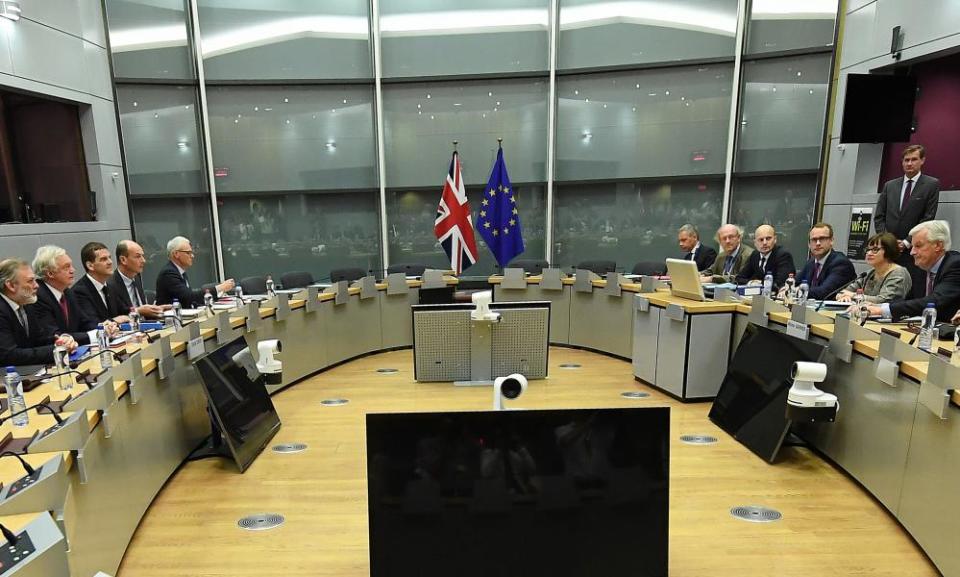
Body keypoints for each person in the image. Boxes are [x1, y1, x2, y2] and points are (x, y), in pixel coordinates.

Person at [874, 144, 940, 298]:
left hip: (913, 252)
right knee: (885, 294)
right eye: (906, 160)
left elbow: (928, 218)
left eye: (914, 159)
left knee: (911, 294)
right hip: (889, 252)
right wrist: (888, 241)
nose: (909, 163)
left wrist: (906, 242)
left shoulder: (931, 184)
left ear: (922, 160)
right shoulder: (890, 186)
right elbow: (879, 217)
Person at [865, 220, 960, 322]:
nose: (912, 252)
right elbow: (908, 301)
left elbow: (935, 301)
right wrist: (878, 306)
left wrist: (882, 310)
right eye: (912, 246)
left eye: (918, 246)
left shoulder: (955, 265)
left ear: (938, 245)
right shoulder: (921, 267)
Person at [0, 258, 77, 366]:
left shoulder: (27, 303)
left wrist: (63, 341)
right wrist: (56, 350)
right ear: (11, 285)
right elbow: (10, 355)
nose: (36, 285)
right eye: (30, 281)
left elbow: (39, 339)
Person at [31, 245, 104, 345]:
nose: (73, 270)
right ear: (50, 273)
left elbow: (84, 322)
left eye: (71, 265)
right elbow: (55, 336)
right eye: (67, 267)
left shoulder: (68, 292)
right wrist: (96, 335)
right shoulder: (38, 296)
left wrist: (103, 328)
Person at [155, 236, 235, 307]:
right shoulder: (168, 273)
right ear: (176, 254)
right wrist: (219, 288)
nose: (192, 256)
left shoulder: (179, 272)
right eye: (188, 253)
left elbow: (190, 300)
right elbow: (189, 297)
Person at [836, 232, 911, 304]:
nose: (869, 253)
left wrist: (852, 295)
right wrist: (843, 296)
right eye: (868, 250)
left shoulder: (898, 273)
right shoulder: (869, 273)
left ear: (889, 250)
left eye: (875, 250)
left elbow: (884, 300)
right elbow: (843, 292)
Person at [796, 223, 857, 301]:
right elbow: (795, 282)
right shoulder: (811, 262)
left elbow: (823, 293)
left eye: (822, 239)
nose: (818, 243)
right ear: (809, 244)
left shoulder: (841, 263)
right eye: (814, 240)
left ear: (831, 241)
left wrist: (795, 291)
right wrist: (785, 289)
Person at [108, 240, 166, 319]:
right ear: (123, 260)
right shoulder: (110, 285)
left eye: (143, 256)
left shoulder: (136, 278)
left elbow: (143, 311)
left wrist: (156, 310)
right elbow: (116, 317)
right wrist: (139, 311)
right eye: (138, 256)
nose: (143, 261)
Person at [72, 242, 129, 324]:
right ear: (90, 266)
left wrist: (137, 311)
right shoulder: (79, 292)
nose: (110, 262)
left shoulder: (110, 287)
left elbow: (124, 312)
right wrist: (115, 321)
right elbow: (92, 324)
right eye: (104, 259)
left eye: (109, 257)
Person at [735, 224, 796, 289]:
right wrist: (752, 283)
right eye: (761, 240)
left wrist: (758, 283)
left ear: (775, 239)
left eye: (768, 239)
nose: (764, 243)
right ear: (755, 243)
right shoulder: (755, 255)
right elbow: (739, 278)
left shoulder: (783, 255)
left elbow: (780, 284)